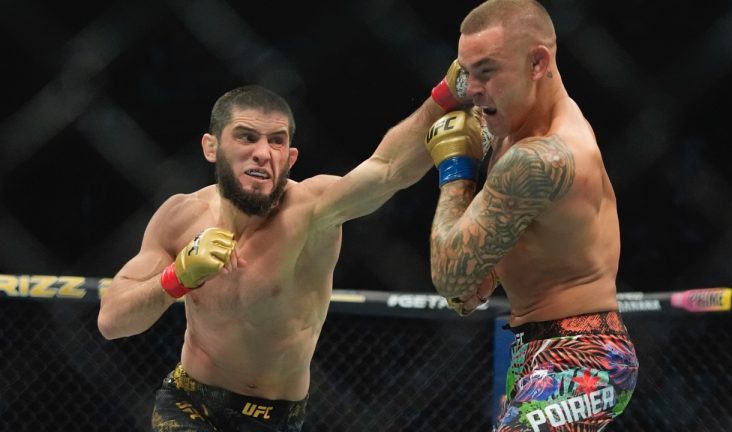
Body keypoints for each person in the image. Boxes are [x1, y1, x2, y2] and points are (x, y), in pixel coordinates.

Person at [96, 84, 452, 431]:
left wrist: (451, 91)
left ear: (290, 158)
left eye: (276, 141)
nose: (263, 153)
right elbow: (112, 321)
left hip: (276, 417)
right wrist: (178, 276)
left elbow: (388, 169)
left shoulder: (314, 210)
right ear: (211, 147)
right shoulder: (180, 216)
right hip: (189, 403)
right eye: (247, 137)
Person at [423, 1, 640, 431]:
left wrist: (456, 169)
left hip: (581, 354)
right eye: (468, 73)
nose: (474, 89)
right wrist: (488, 271)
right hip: (538, 349)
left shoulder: (542, 156)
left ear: (538, 62)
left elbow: (448, 273)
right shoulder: (519, 125)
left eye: (487, 71)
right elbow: (535, 235)